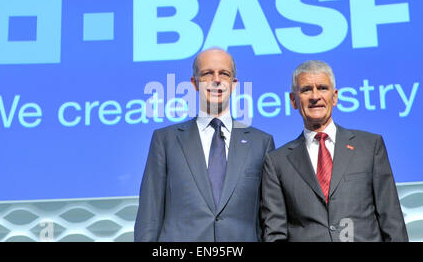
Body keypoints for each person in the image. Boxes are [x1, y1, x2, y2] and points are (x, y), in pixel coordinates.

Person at [134, 47, 275, 241]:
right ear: (194, 83)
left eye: (224, 74)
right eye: (208, 73)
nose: (216, 79)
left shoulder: (261, 143)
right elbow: (149, 217)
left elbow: (270, 220)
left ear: (233, 84)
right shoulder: (166, 140)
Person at [261, 60, 408, 242]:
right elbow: (275, 233)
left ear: (335, 96)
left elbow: (391, 220)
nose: (315, 96)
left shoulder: (370, 146)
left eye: (322, 88)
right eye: (306, 89)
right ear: (293, 100)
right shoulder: (277, 162)